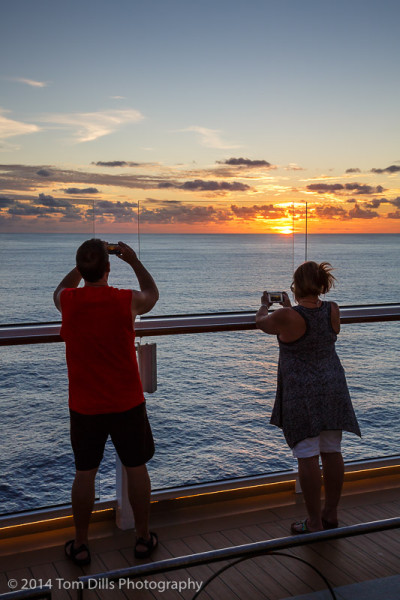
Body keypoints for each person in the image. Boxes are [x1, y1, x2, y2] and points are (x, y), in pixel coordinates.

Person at [53, 239, 159, 565]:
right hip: (126, 401)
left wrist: (85, 264)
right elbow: (152, 295)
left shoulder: (69, 301)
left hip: (85, 405)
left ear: (82, 269)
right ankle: (142, 538)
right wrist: (133, 260)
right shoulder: (124, 301)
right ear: (108, 268)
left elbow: (60, 289)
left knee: (85, 473)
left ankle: (81, 544)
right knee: (136, 468)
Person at [256, 261, 361, 534]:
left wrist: (266, 304)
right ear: (322, 285)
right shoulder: (333, 309)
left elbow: (262, 323)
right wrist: (291, 307)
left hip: (302, 391)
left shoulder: (287, 317)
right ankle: (331, 514)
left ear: (296, 285)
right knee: (332, 450)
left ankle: (313, 522)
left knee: (307, 455)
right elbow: (318, 326)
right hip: (333, 385)